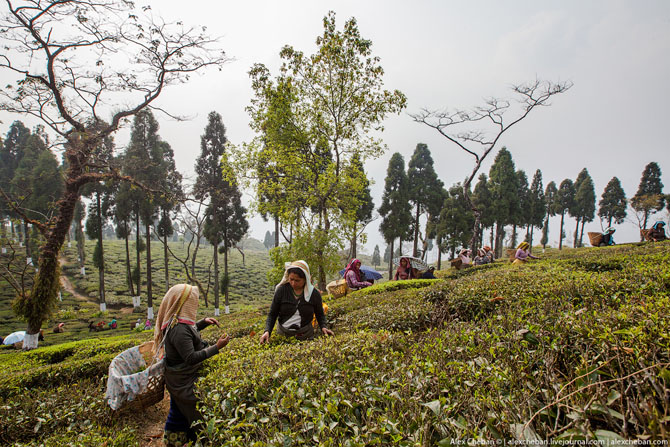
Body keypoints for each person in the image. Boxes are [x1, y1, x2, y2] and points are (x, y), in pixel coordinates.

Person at [154, 284, 230, 446]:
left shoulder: (177, 323)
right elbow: (190, 357)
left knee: (178, 411)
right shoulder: (179, 329)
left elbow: (189, 332)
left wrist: (202, 322)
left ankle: (180, 440)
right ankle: (180, 442)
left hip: (178, 379)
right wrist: (217, 347)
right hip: (183, 380)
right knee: (182, 412)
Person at [260, 260, 334, 343]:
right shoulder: (282, 291)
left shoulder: (314, 294)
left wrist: (324, 327)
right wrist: (267, 331)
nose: (293, 283)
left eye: (297, 280)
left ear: (305, 279)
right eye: (291, 279)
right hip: (283, 335)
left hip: (306, 336)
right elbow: (272, 314)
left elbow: (320, 314)